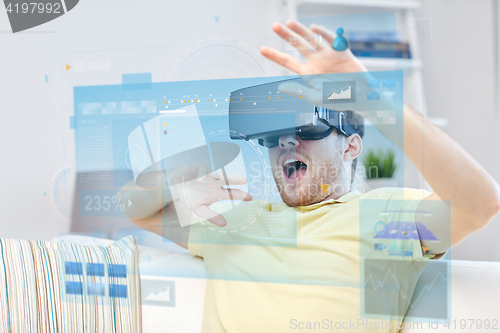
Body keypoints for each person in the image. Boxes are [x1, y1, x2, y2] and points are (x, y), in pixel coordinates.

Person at [118, 19, 500, 332]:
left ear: (350, 146)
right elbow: (135, 209)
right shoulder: (233, 221)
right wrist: (170, 180)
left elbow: (478, 204)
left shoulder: (383, 221)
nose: (286, 143)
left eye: (306, 130)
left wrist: (370, 97)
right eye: (273, 137)